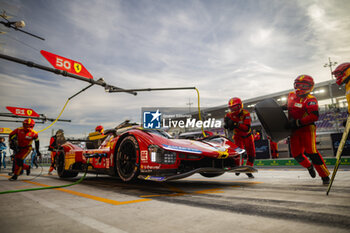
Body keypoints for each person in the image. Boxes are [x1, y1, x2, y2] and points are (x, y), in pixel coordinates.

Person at [286, 75, 330, 185]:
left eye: (303, 85)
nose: (299, 87)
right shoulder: (291, 95)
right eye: (298, 85)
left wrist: (297, 122)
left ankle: (324, 175)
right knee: (296, 154)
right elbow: (288, 106)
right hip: (294, 130)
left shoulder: (311, 99)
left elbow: (314, 116)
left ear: (310, 87)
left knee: (312, 152)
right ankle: (309, 166)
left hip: (307, 129)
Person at [224, 97, 256, 178]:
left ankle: (248, 169)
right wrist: (227, 124)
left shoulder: (246, 113)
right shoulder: (228, 115)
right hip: (237, 136)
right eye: (232, 108)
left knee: (252, 154)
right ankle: (238, 167)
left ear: (240, 106)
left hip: (247, 136)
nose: (233, 110)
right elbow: (227, 126)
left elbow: (247, 128)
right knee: (238, 153)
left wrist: (235, 124)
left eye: (235, 107)